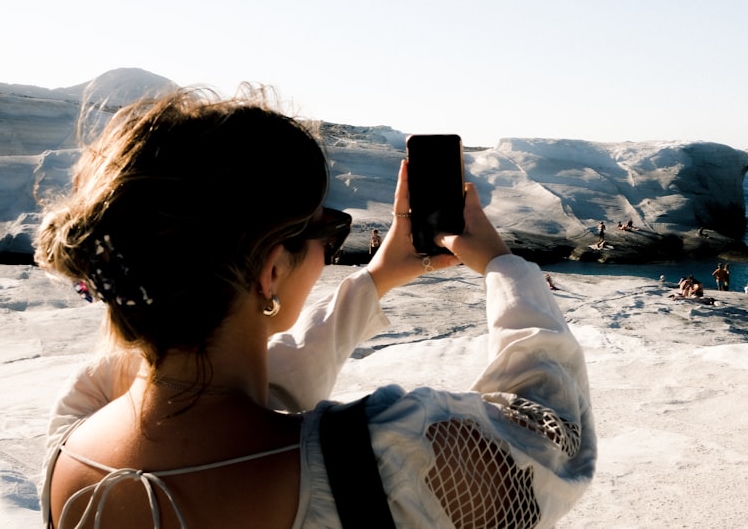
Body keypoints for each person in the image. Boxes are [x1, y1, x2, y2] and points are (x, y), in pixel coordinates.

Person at [35, 88, 594, 528]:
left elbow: (241, 380)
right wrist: (503, 265)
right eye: (328, 231)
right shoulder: (380, 466)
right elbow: (550, 434)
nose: (331, 250)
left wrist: (375, 279)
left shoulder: (74, 436)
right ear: (271, 271)